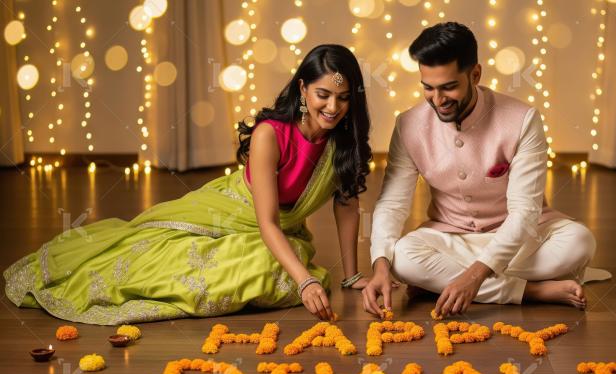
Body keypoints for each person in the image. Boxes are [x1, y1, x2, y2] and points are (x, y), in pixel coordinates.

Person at [3, 44, 372, 325]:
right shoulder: (270, 135)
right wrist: (306, 282)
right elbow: (267, 222)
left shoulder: (342, 139)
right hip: (234, 214)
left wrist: (351, 274)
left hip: (280, 231)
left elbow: (346, 203)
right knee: (254, 272)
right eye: (323, 95)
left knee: (273, 271)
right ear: (303, 89)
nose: (333, 107)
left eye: (342, 98)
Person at [363, 23, 597, 318]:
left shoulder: (523, 119)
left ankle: (442, 282)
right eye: (428, 87)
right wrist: (381, 267)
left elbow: (525, 213)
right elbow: (392, 203)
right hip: (452, 236)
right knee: (400, 258)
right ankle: (530, 291)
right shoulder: (408, 125)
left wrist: (474, 276)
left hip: (521, 236)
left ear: (475, 74)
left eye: (449, 87)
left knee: (579, 243)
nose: (438, 100)